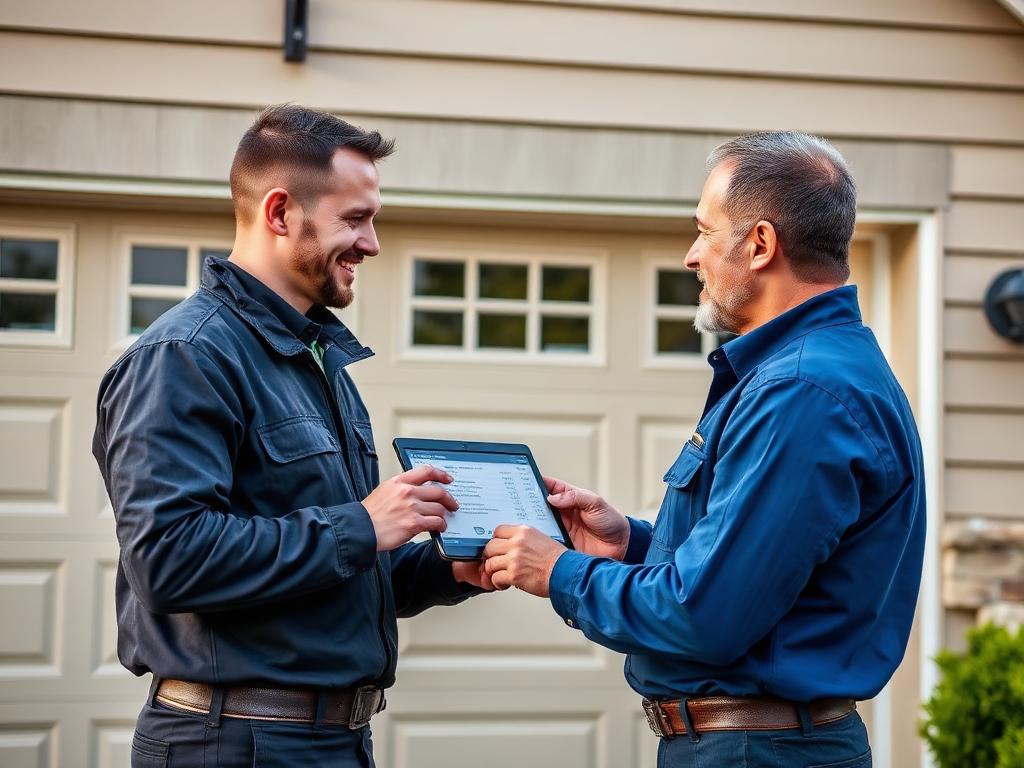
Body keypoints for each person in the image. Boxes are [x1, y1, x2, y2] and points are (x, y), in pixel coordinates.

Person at [483, 131, 925, 767]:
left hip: (756, 751)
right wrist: (629, 545)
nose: (692, 256)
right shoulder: (817, 374)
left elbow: (704, 616)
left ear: (760, 244)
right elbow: (762, 573)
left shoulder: (800, 392)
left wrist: (557, 571)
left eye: (704, 230)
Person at [93, 104, 489, 768]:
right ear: (279, 213)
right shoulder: (185, 357)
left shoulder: (317, 362)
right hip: (232, 744)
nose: (372, 244)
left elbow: (340, 568)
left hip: (331, 742)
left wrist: (457, 566)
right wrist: (362, 524)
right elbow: (169, 558)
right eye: (355, 219)